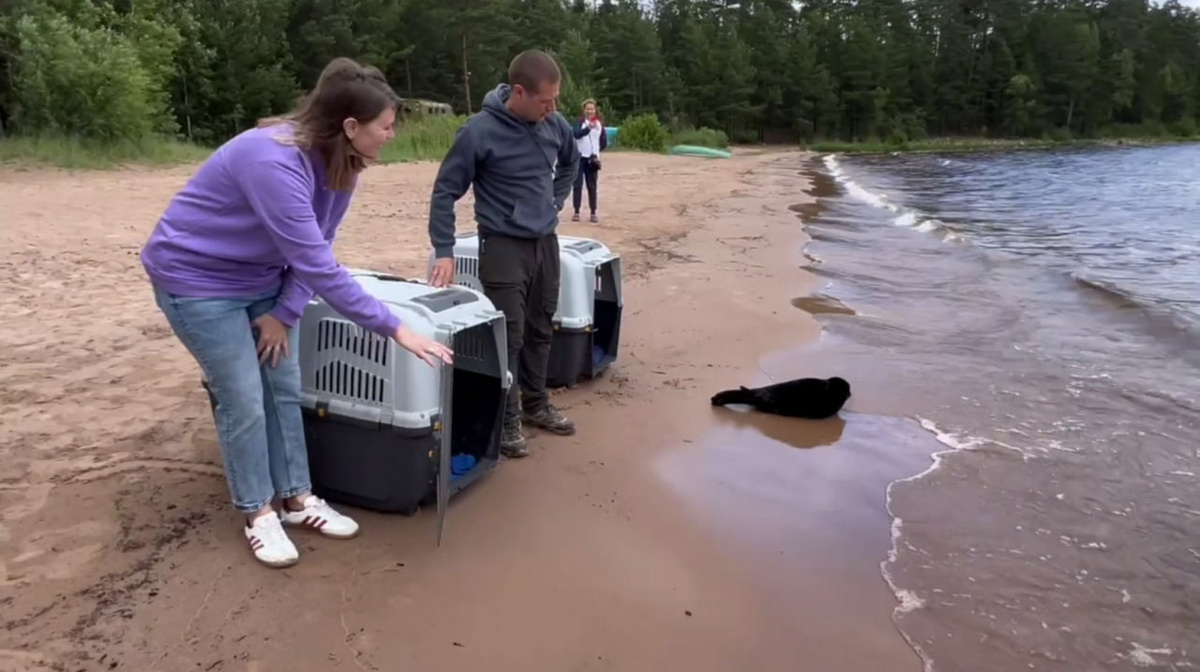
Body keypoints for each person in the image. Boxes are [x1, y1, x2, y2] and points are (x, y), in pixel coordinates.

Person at [140, 57, 454, 569]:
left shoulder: (343, 166)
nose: (393, 135)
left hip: (261, 279)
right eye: (387, 126)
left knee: (282, 383)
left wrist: (285, 313)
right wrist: (396, 328)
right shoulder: (272, 161)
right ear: (351, 127)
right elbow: (322, 267)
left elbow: (318, 246)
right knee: (242, 395)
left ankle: (297, 498)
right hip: (195, 280)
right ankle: (257, 512)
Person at [426, 49, 580, 458]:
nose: (553, 108)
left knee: (541, 326)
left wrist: (555, 200)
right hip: (502, 245)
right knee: (508, 337)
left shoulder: (555, 125)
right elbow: (444, 191)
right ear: (519, 92)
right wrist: (443, 249)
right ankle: (508, 421)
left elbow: (571, 162)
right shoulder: (478, 132)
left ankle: (536, 405)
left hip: (545, 241)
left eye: (556, 100)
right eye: (546, 100)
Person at [571, 99, 607, 223]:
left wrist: (596, 152)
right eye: (588, 109)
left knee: (592, 186)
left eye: (592, 109)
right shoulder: (579, 122)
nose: (590, 111)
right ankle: (576, 211)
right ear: (584, 110)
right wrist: (587, 129)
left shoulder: (599, 124)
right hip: (580, 158)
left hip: (592, 159)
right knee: (577, 186)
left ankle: (593, 212)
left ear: (595, 110)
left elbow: (603, 141)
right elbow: (575, 134)